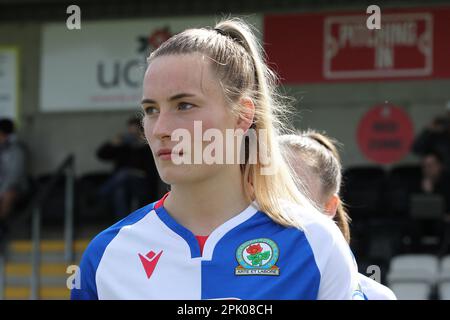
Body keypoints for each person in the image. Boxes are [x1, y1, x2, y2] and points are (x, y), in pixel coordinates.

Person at [72, 18, 360, 300]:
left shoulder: (315, 244)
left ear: (243, 115)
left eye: (184, 105)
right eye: (151, 110)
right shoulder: (107, 255)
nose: (160, 130)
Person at [279, 130, 397, 300]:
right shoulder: (229, 268)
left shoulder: (375, 296)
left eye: (295, 191)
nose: (277, 205)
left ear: (329, 207)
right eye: (264, 190)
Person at [96, 116, 159, 219]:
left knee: (124, 173)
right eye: (130, 131)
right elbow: (101, 155)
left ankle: (103, 192)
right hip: (124, 182)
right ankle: (124, 222)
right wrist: (113, 144)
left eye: (135, 131)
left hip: (142, 180)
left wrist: (142, 144)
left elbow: (151, 168)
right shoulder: (123, 147)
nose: (132, 134)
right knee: (120, 189)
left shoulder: (147, 146)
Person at [0, 119, 29, 234]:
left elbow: (14, 176)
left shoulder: (17, 150)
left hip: (16, 188)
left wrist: (1, 191)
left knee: (8, 194)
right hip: (2, 187)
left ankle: (1, 225)